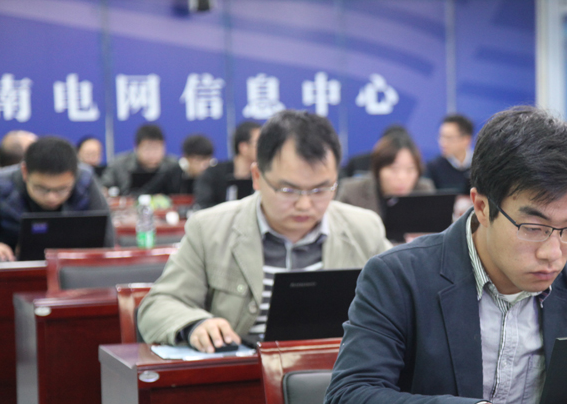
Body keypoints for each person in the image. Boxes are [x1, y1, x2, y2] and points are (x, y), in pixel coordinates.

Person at [323, 106, 567, 404]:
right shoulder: (398, 277)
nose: (552, 253)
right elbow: (347, 402)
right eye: (533, 228)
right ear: (482, 207)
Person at [138, 110, 392, 351]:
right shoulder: (209, 230)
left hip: (341, 373)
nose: (305, 204)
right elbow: (158, 305)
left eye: (320, 189)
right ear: (257, 176)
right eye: (289, 190)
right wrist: (196, 324)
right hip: (244, 374)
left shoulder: (363, 229)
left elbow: (401, 301)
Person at [0, 136, 114, 263]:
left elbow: (107, 241)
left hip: (74, 269)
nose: (52, 197)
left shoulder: (86, 181)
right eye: (41, 188)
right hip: (11, 270)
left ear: (75, 176)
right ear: (25, 172)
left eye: (62, 189)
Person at [336, 131, 435, 218]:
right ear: (378, 169)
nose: (402, 177)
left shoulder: (424, 191)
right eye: (394, 169)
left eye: (410, 169)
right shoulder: (352, 192)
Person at [192, 121, 260, 210]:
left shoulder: (262, 176)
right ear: (243, 147)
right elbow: (202, 205)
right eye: (259, 143)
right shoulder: (213, 174)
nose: (264, 148)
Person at [100, 124, 177, 196]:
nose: (152, 154)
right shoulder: (119, 165)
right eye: (148, 148)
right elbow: (103, 188)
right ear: (136, 147)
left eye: (157, 148)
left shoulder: (173, 166)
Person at [142, 134, 215, 195]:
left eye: (207, 159)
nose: (204, 165)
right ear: (186, 158)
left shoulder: (215, 175)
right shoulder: (172, 172)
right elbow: (146, 193)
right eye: (198, 159)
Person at [424, 114, 474, 194]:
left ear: (466, 139)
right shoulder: (433, 167)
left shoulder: (480, 164)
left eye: (449, 138)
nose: (443, 143)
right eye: (441, 137)